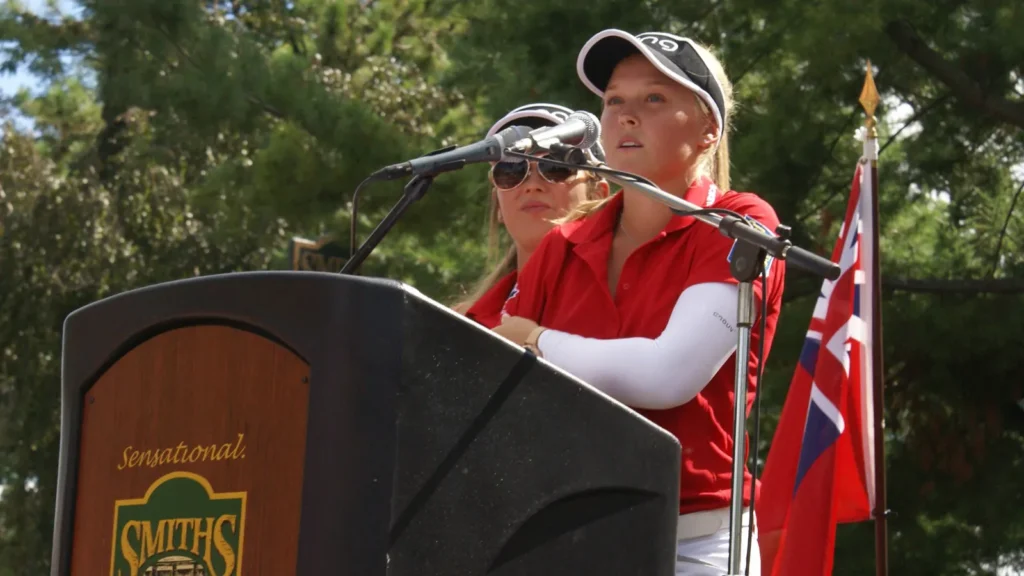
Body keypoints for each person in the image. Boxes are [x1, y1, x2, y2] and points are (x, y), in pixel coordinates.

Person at [493, 30, 786, 575]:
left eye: (654, 98)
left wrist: (536, 340)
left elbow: (667, 376)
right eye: (614, 101)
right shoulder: (559, 247)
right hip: (564, 534)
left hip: (695, 543)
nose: (627, 116)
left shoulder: (742, 221)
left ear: (709, 131)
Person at [452, 103, 608, 328]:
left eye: (555, 166)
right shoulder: (461, 324)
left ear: (598, 195)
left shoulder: (625, 297)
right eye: (511, 171)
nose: (532, 186)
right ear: (498, 207)